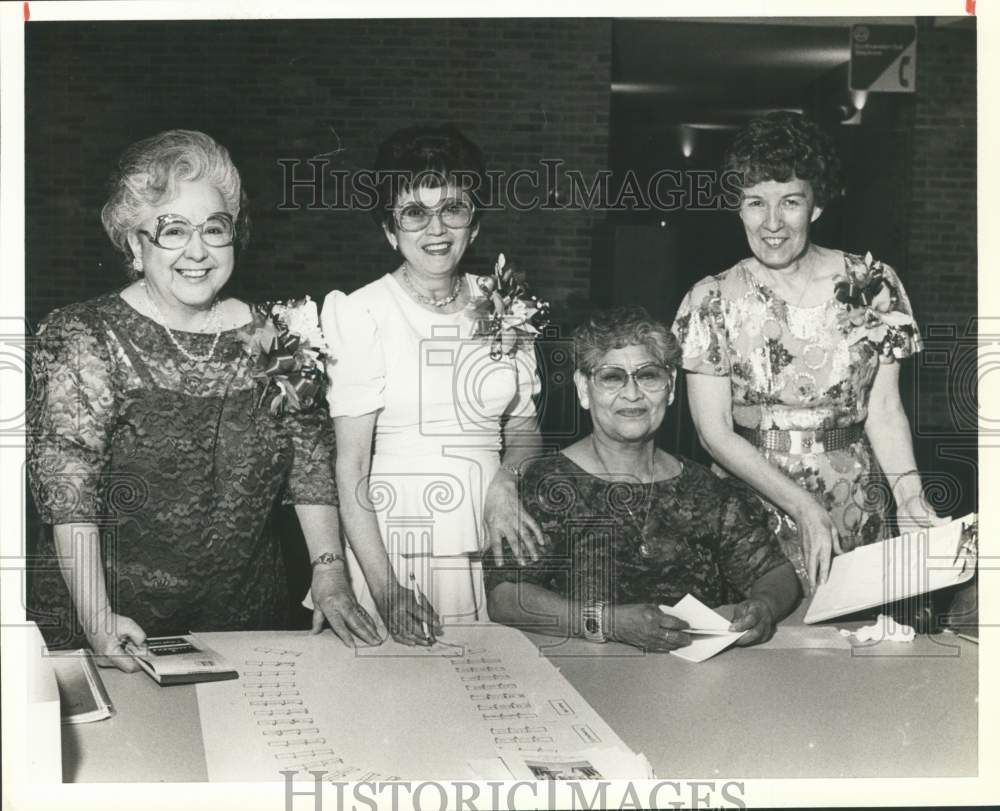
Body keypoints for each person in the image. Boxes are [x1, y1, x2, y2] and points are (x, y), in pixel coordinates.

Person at [27, 129, 379, 670]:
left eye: (214, 229)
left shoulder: (277, 337)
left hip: (245, 623)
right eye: (172, 231)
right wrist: (98, 621)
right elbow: (68, 491)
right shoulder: (84, 336)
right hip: (117, 627)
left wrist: (330, 572)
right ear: (133, 243)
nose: (198, 251)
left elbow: (309, 465)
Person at [672, 111, 947, 593]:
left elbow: (883, 410)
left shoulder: (874, 284)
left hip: (856, 502)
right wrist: (803, 507)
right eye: (756, 203)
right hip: (750, 507)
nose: (772, 223)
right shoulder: (709, 300)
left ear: (816, 206)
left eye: (790, 202)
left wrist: (910, 498)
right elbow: (713, 433)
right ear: (737, 207)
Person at [320, 124, 544, 645]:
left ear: (476, 223)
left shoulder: (506, 303)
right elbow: (349, 466)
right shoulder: (360, 313)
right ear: (389, 230)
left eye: (453, 208)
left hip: (493, 532)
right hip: (398, 541)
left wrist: (506, 481)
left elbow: (526, 431)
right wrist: (385, 589)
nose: (436, 229)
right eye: (414, 213)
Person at [485, 307, 797, 651]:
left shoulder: (707, 489)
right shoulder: (547, 485)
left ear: (671, 387)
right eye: (611, 377)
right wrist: (608, 622)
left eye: (648, 376)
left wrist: (764, 606)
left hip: (693, 682)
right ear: (584, 389)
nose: (632, 394)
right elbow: (507, 597)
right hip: (583, 674)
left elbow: (774, 572)